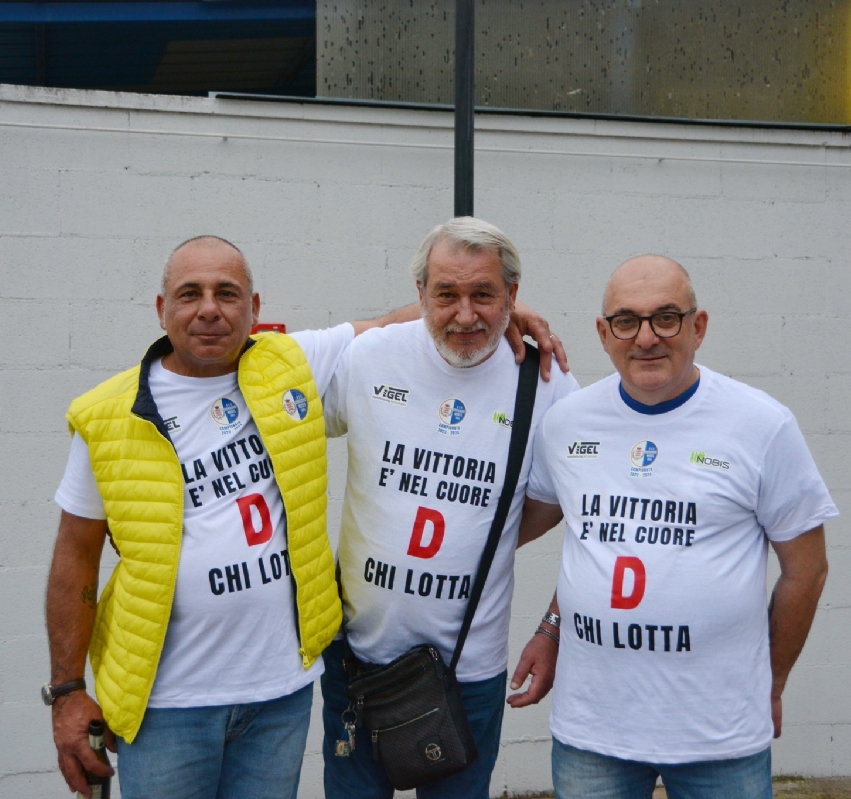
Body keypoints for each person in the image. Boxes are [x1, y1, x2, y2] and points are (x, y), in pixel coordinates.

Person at [44, 234, 561, 799]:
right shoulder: (109, 414)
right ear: (161, 308)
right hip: (168, 702)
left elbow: (397, 318)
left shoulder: (287, 368)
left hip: (280, 694)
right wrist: (68, 690)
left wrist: (500, 307)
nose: (210, 308)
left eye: (227, 293)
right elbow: (74, 556)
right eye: (189, 293)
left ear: (255, 308)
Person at [509, 255, 836, 799]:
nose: (646, 338)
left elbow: (807, 571)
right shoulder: (567, 423)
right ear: (603, 333)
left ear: (698, 326)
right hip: (594, 731)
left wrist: (770, 682)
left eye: (666, 318)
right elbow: (592, 545)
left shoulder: (762, 424)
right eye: (626, 321)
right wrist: (550, 628)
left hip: (719, 735)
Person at [320, 217, 579, 799]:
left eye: (484, 294)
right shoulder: (369, 357)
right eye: (447, 295)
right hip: (356, 662)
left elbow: (560, 510)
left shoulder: (547, 384)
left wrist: (473, 537)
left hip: (469, 673)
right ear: (420, 296)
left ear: (513, 296)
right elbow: (268, 379)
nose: (465, 315)